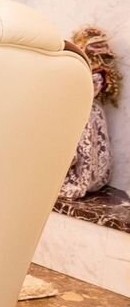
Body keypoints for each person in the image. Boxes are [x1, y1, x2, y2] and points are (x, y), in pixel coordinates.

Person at [61, 26, 121, 199]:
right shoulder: (96, 73)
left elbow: (86, 91)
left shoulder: (95, 74)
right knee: (84, 144)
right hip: (89, 111)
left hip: (86, 112)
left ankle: (85, 176)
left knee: (85, 144)